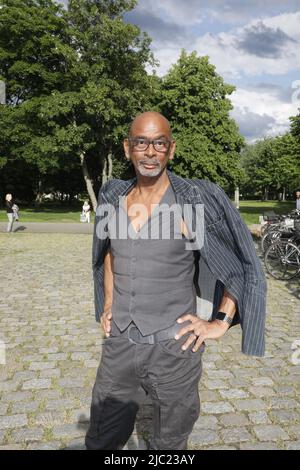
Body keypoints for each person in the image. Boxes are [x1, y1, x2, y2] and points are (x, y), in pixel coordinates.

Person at [85, 111, 267, 450]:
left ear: (171, 149)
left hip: (174, 349)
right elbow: (108, 254)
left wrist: (220, 322)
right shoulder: (112, 197)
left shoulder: (196, 200)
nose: (150, 152)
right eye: (141, 142)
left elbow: (241, 262)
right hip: (120, 346)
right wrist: (109, 303)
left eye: (159, 143)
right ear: (128, 148)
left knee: (168, 444)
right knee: (101, 440)